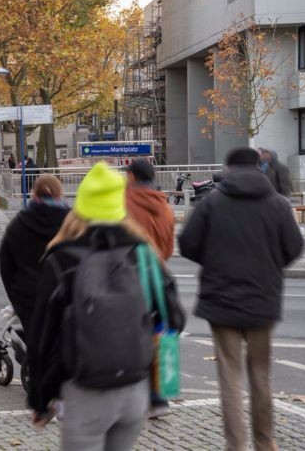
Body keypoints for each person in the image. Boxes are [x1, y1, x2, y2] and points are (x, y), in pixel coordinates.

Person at [28, 163, 185, 450]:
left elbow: (42, 337)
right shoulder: (143, 254)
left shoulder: (61, 260)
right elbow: (175, 317)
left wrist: (41, 399)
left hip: (85, 391)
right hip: (135, 391)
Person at [179, 148, 304, 451]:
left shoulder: (213, 203)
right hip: (264, 298)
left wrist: (212, 261)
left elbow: (187, 244)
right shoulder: (277, 204)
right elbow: (294, 247)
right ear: (259, 166)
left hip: (221, 301)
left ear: (229, 168)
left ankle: (236, 444)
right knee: (261, 375)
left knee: (230, 377)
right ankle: (266, 442)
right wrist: (271, 267)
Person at [124, 159, 176, 419]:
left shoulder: (124, 202)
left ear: (131, 177)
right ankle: (161, 399)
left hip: (129, 277)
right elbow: (168, 247)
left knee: (129, 337)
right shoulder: (164, 205)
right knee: (162, 334)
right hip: (159, 275)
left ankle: (130, 398)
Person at [0, 174, 69, 333]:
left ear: (33, 193)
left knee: (35, 347)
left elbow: (6, 266)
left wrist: (16, 299)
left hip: (29, 299)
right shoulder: (71, 222)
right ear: (60, 193)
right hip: (63, 296)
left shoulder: (19, 223)